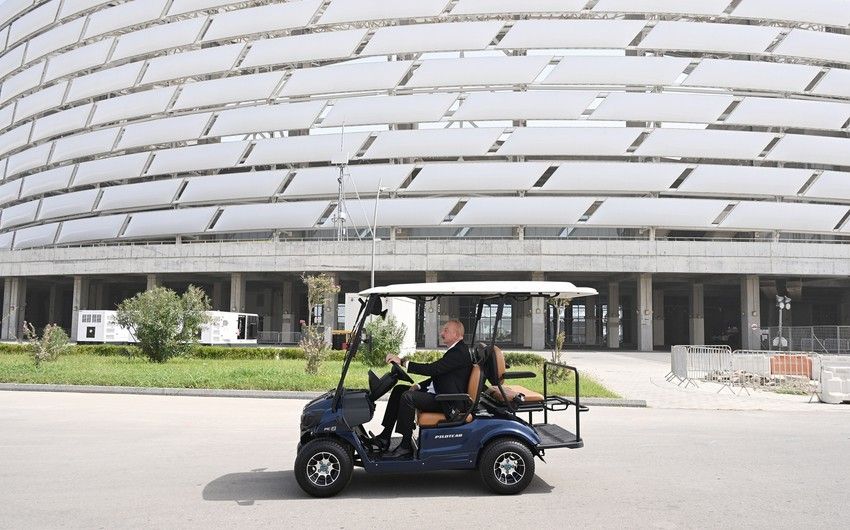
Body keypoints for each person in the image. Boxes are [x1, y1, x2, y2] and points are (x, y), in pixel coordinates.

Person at [377, 319, 472, 458]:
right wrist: (419, 385)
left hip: (447, 401)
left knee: (407, 397)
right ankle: (385, 437)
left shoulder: (458, 353)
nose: (441, 333)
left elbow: (433, 369)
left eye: (446, 330)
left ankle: (405, 446)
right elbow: (439, 374)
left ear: (457, 335)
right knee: (399, 390)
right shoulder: (456, 351)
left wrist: (403, 362)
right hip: (441, 393)